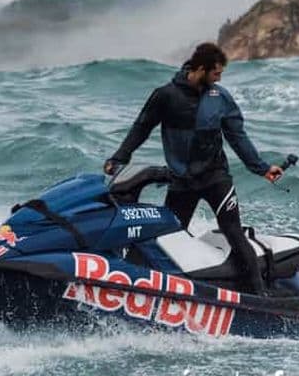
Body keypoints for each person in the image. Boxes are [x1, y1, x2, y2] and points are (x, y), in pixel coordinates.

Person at [104, 42, 283, 294]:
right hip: (182, 182)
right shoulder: (166, 95)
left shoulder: (219, 97)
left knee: (233, 232)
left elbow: (237, 137)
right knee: (167, 234)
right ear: (200, 69)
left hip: (216, 179)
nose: (219, 78)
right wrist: (119, 157)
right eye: (216, 73)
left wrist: (261, 168)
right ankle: (143, 287)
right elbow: (141, 128)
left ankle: (259, 295)